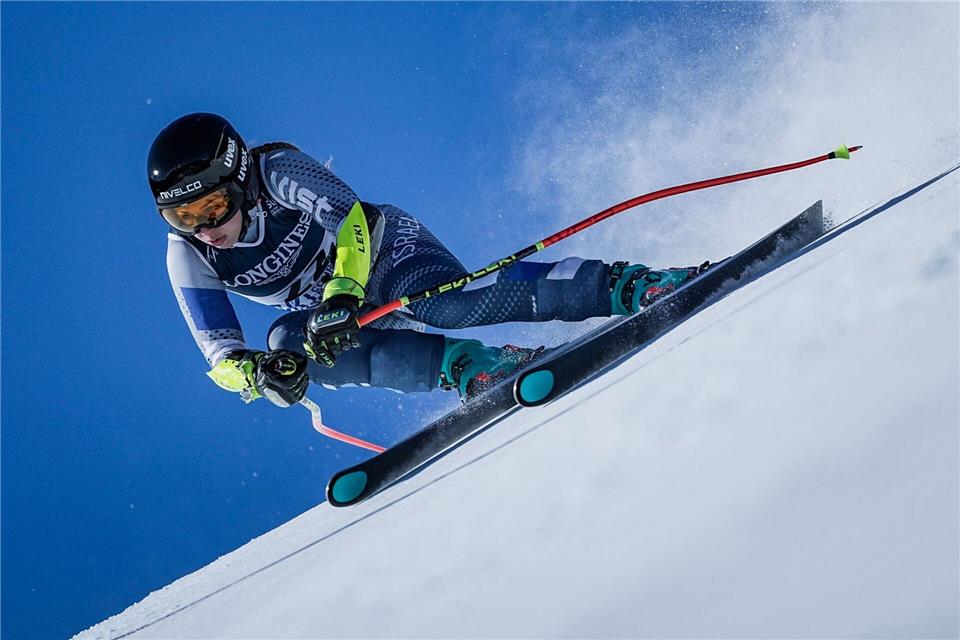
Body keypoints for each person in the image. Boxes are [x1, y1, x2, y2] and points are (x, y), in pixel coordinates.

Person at [150, 113, 705, 409]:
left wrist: (343, 290)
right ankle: (467, 365)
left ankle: (629, 287)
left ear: (238, 179)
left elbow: (353, 221)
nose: (205, 228)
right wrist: (259, 374)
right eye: (184, 218)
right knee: (286, 345)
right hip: (335, 312)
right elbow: (219, 354)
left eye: (213, 206)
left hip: (384, 253)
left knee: (449, 305)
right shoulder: (189, 256)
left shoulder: (277, 172)